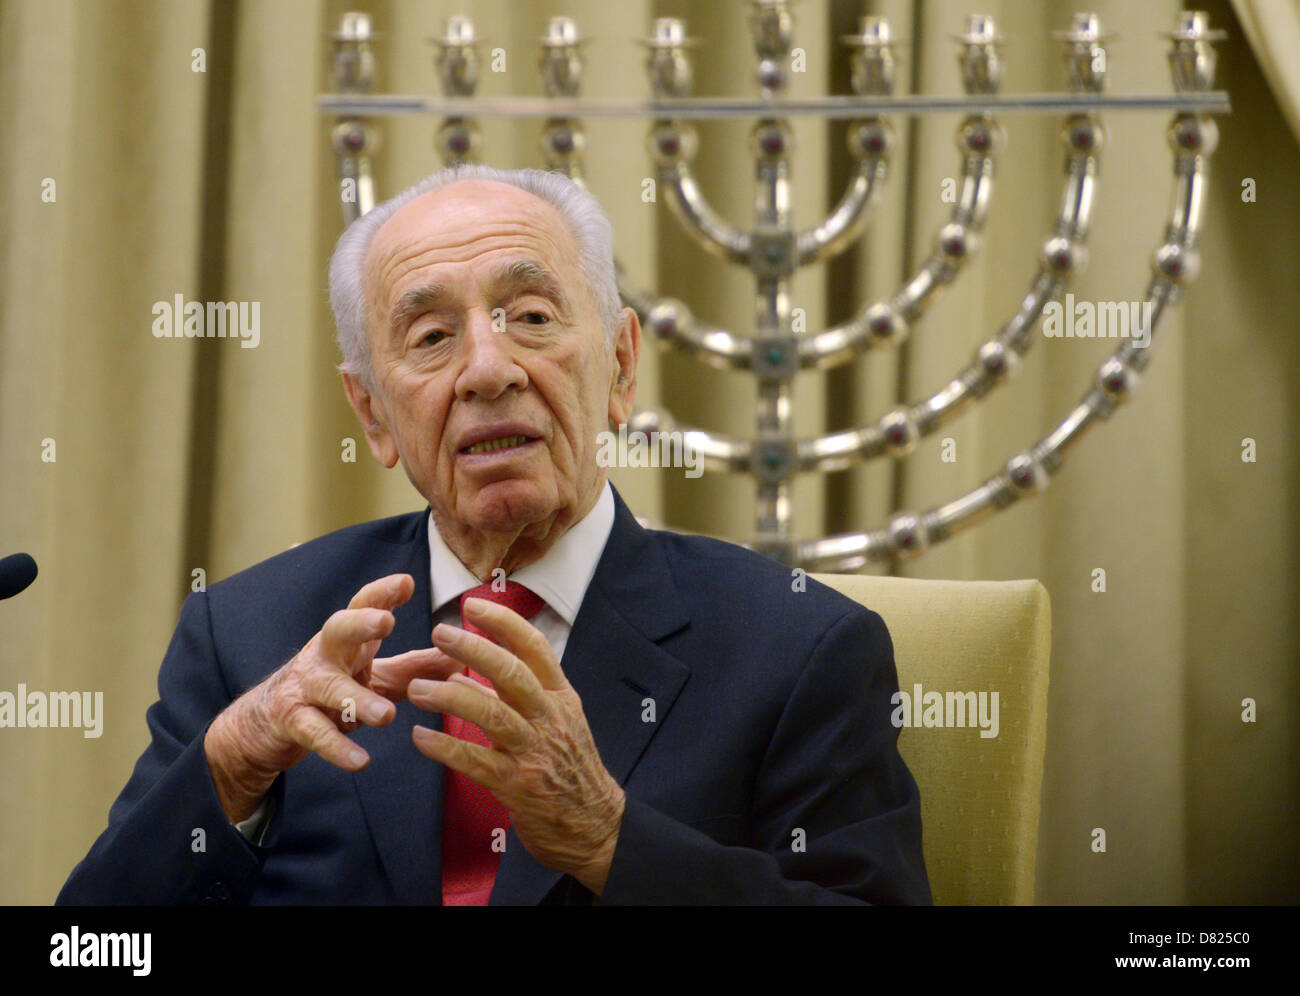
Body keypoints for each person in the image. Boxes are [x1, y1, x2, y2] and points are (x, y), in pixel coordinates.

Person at [57, 165, 931, 905]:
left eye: (534, 317)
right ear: (372, 412)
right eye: (432, 336)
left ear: (622, 366)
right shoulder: (248, 636)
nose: (487, 368)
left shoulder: (801, 648)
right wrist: (231, 769)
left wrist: (609, 840)